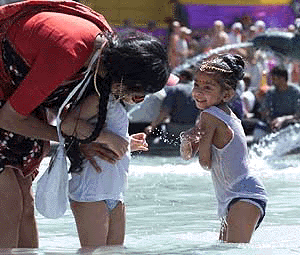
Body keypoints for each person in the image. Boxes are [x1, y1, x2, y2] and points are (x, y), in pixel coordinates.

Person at [0, 0, 170, 248]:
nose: (136, 101)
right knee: (9, 202)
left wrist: (80, 139)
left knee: (25, 202)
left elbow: (65, 112)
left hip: (16, 92)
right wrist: (80, 138)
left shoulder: (106, 51)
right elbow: (8, 118)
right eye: (137, 93)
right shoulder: (69, 52)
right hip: (9, 99)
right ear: (121, 76)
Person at [180, 54, 268, 243]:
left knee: (231, 250)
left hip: (243, 195)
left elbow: (204, 162)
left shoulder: (209, 116)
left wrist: (189, 142)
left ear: (226, 94)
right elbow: (188, 153)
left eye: (207, 87)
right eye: (197, 85)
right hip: (241, 194)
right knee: (226, 250)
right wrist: (188, 140)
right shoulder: (224, 114)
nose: (198, 92)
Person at [145, 69, 199, 140]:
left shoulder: (175, 89)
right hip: (192, 128)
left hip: (175, 128)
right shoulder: (196, 90)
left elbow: (165, 110)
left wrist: (152, 126)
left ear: (182, 77)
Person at [253, 66, 300, 141]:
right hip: (273, 123)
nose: (272, 81)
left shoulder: (296, 92)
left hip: (290, 123)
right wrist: (270, 120)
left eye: (274, 79)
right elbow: (265, 110)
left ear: (282, 79)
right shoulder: (271, 92)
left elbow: (298, 115)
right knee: (259, 128)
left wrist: (283, 119)